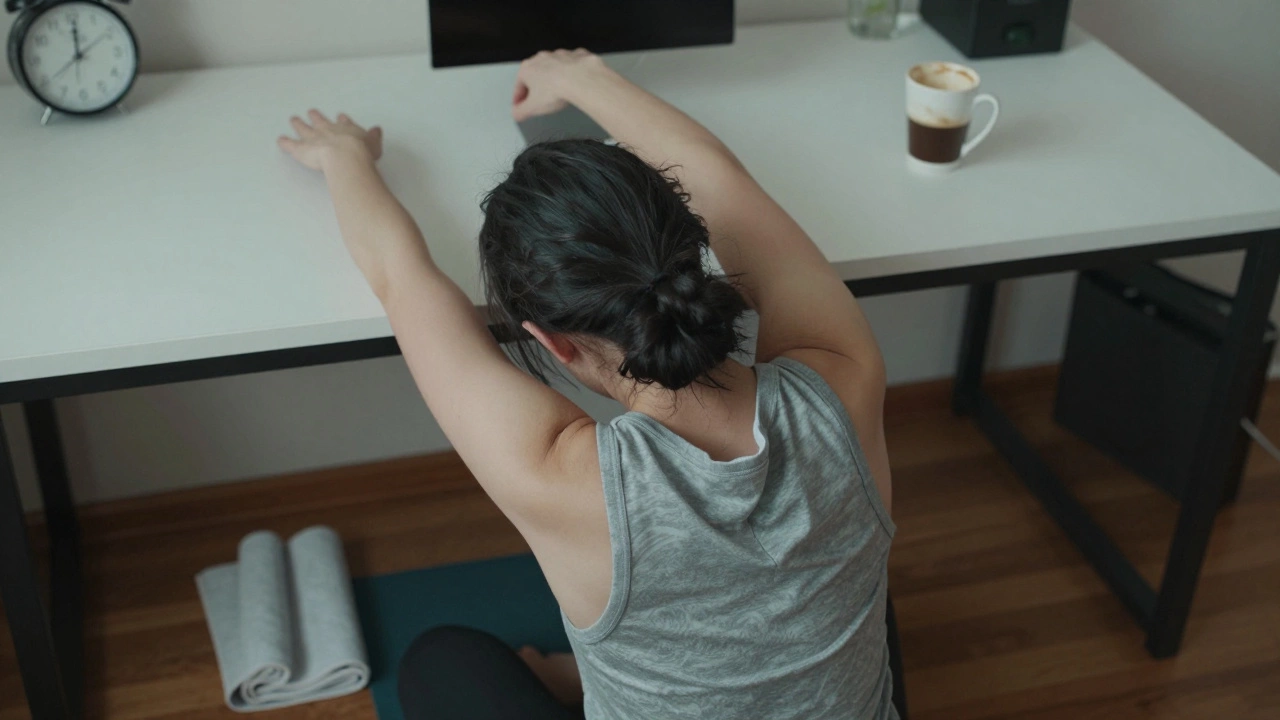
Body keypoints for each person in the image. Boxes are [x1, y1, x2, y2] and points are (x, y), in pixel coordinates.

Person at [277, 48, 896, 720]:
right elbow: (721, 177)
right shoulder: (844, 376)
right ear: (695, 250)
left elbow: (402, 278)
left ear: (550, 341)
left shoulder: (567, 481)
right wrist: (580, 76)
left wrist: (345, 160)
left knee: (439, 664)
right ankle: (591, 672)